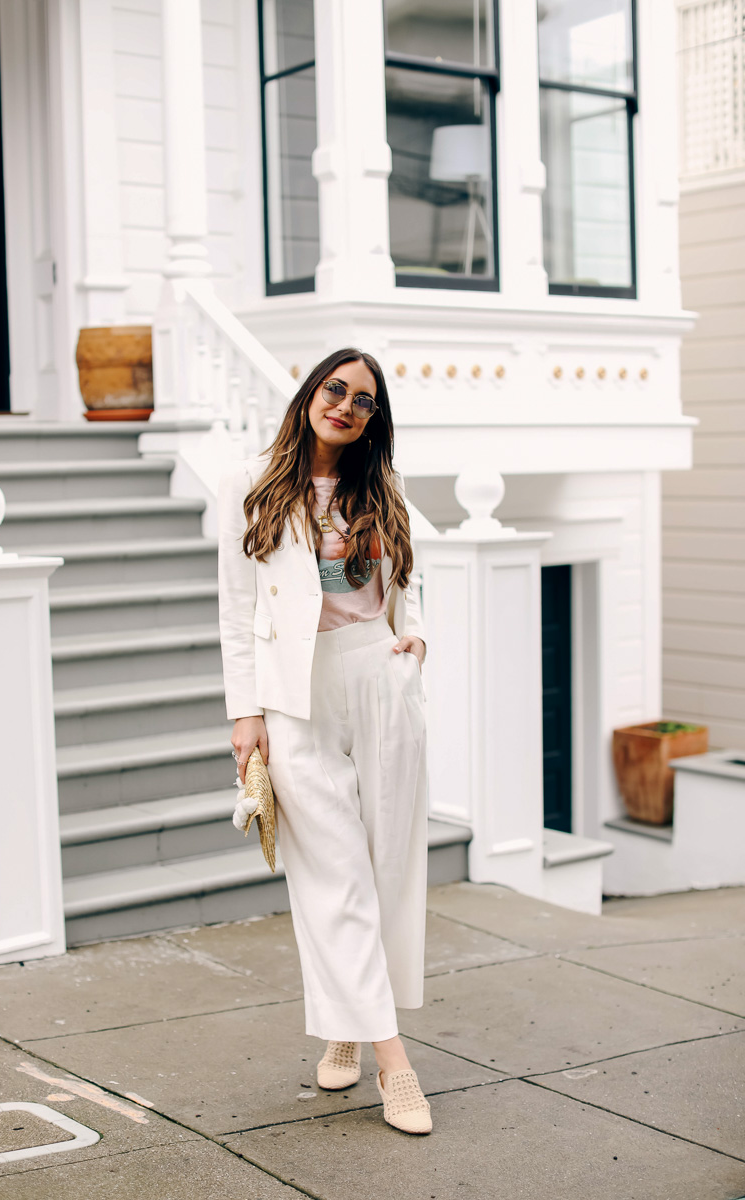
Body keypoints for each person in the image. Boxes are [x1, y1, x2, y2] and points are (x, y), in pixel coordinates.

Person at [216, 347, 431, 1135]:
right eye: (335, 389)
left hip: (377, 675)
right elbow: (237, 610)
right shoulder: (253, 485)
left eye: (363, 400)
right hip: (294, 698)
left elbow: (410, 582)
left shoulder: (383, 488)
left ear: (374, 419)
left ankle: (346, 1024)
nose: (345, 405)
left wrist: (416, 643)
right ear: (311, 393)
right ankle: (393, 1062)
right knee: (334, 876)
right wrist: (246, 716)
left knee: (385, 867)